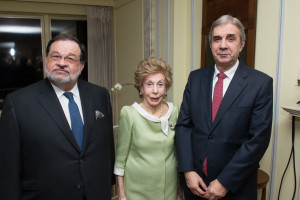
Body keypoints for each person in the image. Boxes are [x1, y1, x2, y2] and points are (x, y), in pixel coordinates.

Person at [0, 34, 115, 200]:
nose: (62, 63)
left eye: (70, 58)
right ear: (47, 59)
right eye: (56, 56)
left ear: (81, 66)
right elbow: (8, 169)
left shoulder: (100, 95)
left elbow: (106, 148)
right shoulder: (18, 103)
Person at [175, 15, 273, 200]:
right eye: (217, 39)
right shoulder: (195, 79)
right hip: (195, 184)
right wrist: (187, 170)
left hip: (236, 187)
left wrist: (225, 182)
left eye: (231, 38)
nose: (223, 45)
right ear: (210, 44)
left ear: (241, 44)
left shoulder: (260, 83)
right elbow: (184, 126)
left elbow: (257, 140)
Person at [114, 57, 179, 200]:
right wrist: (121, 193)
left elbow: (177, 153)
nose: (155, 91)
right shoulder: (129, 113)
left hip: (169, 189)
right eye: (149, 84)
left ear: (166, 87)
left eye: (160, 84)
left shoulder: (174, 111)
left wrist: (180, 190)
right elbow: (120, 158)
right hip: (137, 191)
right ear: (141, 87)